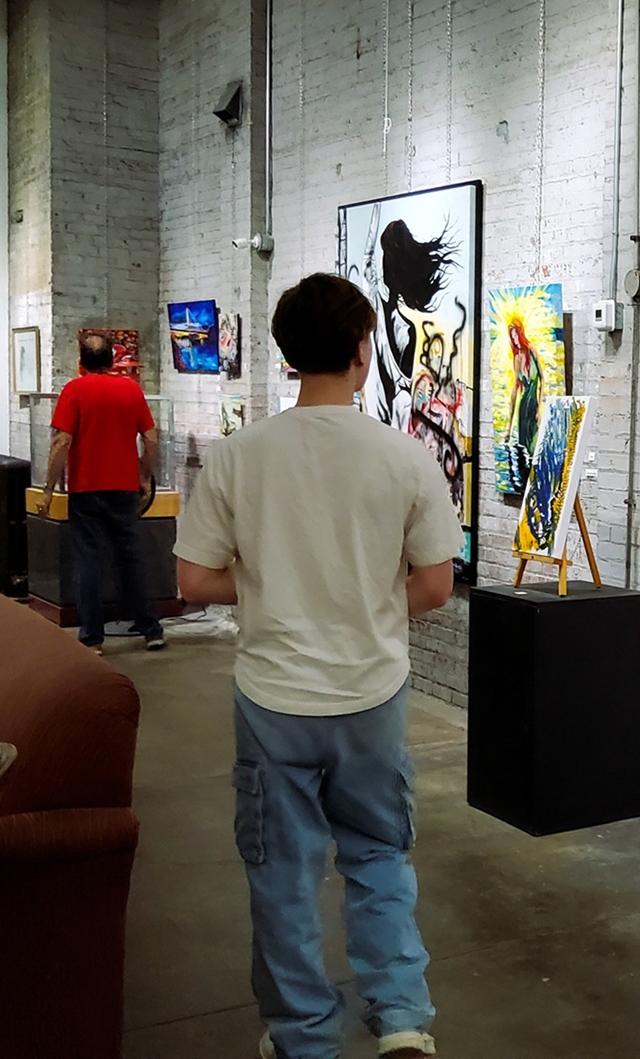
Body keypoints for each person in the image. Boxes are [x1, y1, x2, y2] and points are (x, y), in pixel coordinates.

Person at [173, 272, 459, 1059]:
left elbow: (193, 580)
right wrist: (363, 601)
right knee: (378, 856)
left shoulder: (239, 456)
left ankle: (304, 1037)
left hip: (274, 698)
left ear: (288, 354)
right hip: (372, 693)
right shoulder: (405, 458)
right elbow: (435, 586)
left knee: (283, 875)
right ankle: (402, 1021)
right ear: (364, 350)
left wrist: (274, 586)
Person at [40, 331, 165, 653]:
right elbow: (151, 439)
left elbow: (61, 442)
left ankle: (93, 638)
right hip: (124, 488)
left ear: (81, 362)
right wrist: (145, 476)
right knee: (131, 559)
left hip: (85, 489)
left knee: (89, 563)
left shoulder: (74, 390)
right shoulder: (131, 390)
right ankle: (151, 629)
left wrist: (48, 489)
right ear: (112, 360)